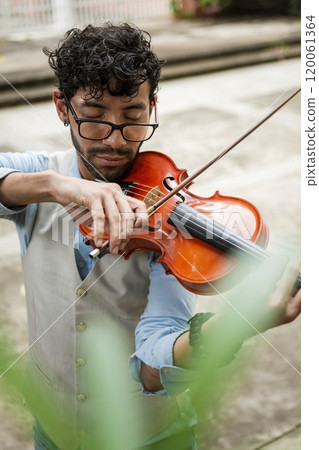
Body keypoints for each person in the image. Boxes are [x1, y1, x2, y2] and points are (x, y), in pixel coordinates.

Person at [0, 23, 301, 450]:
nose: (114, 140)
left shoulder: (170, 224)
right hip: (53, 432)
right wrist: (54, 187)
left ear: (152, 107)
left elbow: (152, 368)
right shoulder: (39, 173)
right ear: (62, 107)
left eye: (133, 118)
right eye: (94, 116)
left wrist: (235, 327)